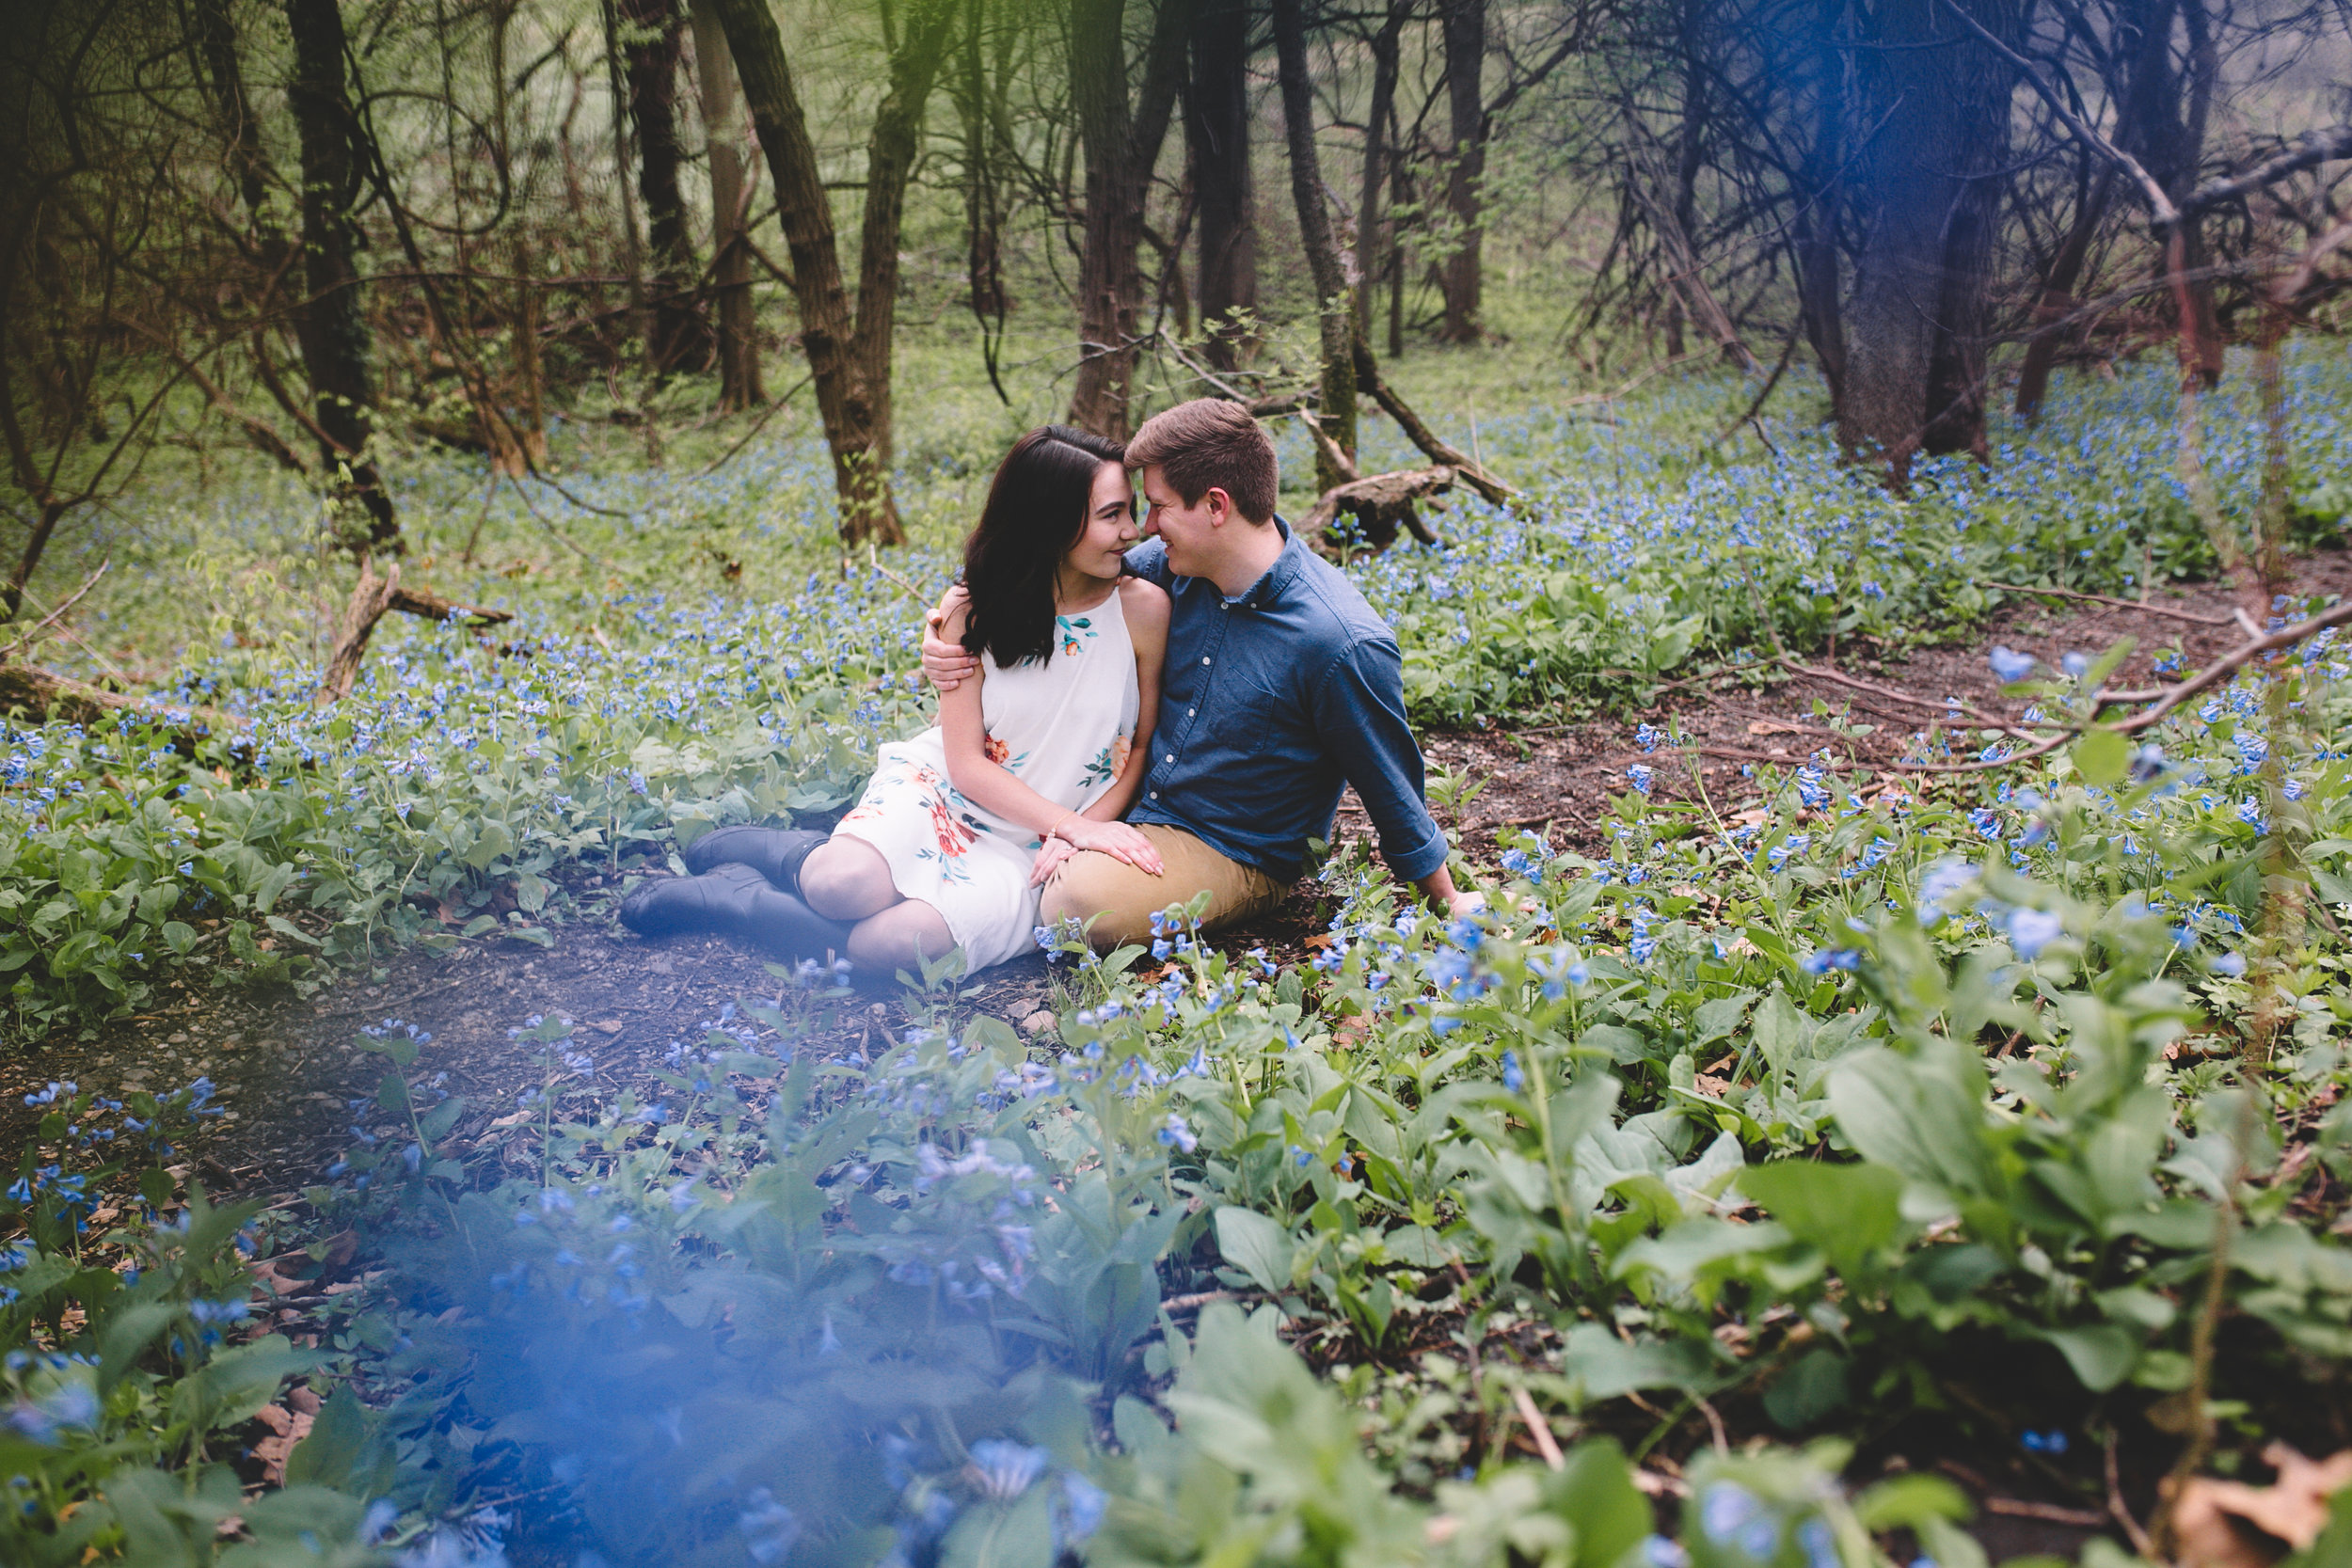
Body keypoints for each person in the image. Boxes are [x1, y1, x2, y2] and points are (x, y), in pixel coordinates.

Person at [922, 398, 1472, 949]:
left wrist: (1447, 902)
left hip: (1229, 847)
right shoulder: (1168, 569)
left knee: (1077, 903)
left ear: (1215, 505)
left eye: (1159, 507)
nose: (1145, 528)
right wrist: (948, 632)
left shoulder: (1337, 641)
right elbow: (1049, 577)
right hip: (1123, 804)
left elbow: (1391, 788)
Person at [621, 425, 1170, 974]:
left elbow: (1138, 749)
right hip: (951, 794)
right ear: (1049, 521)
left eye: (1131, 511)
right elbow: (965, 763)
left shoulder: (1142, 610)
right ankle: (784, 853)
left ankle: (741, 902)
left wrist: (1077, 831)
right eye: (1111, 515)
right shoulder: (971, 610)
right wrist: (1070, 826)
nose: (1131, 532)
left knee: (889, 948)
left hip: (1041, 845)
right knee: (840, 887)